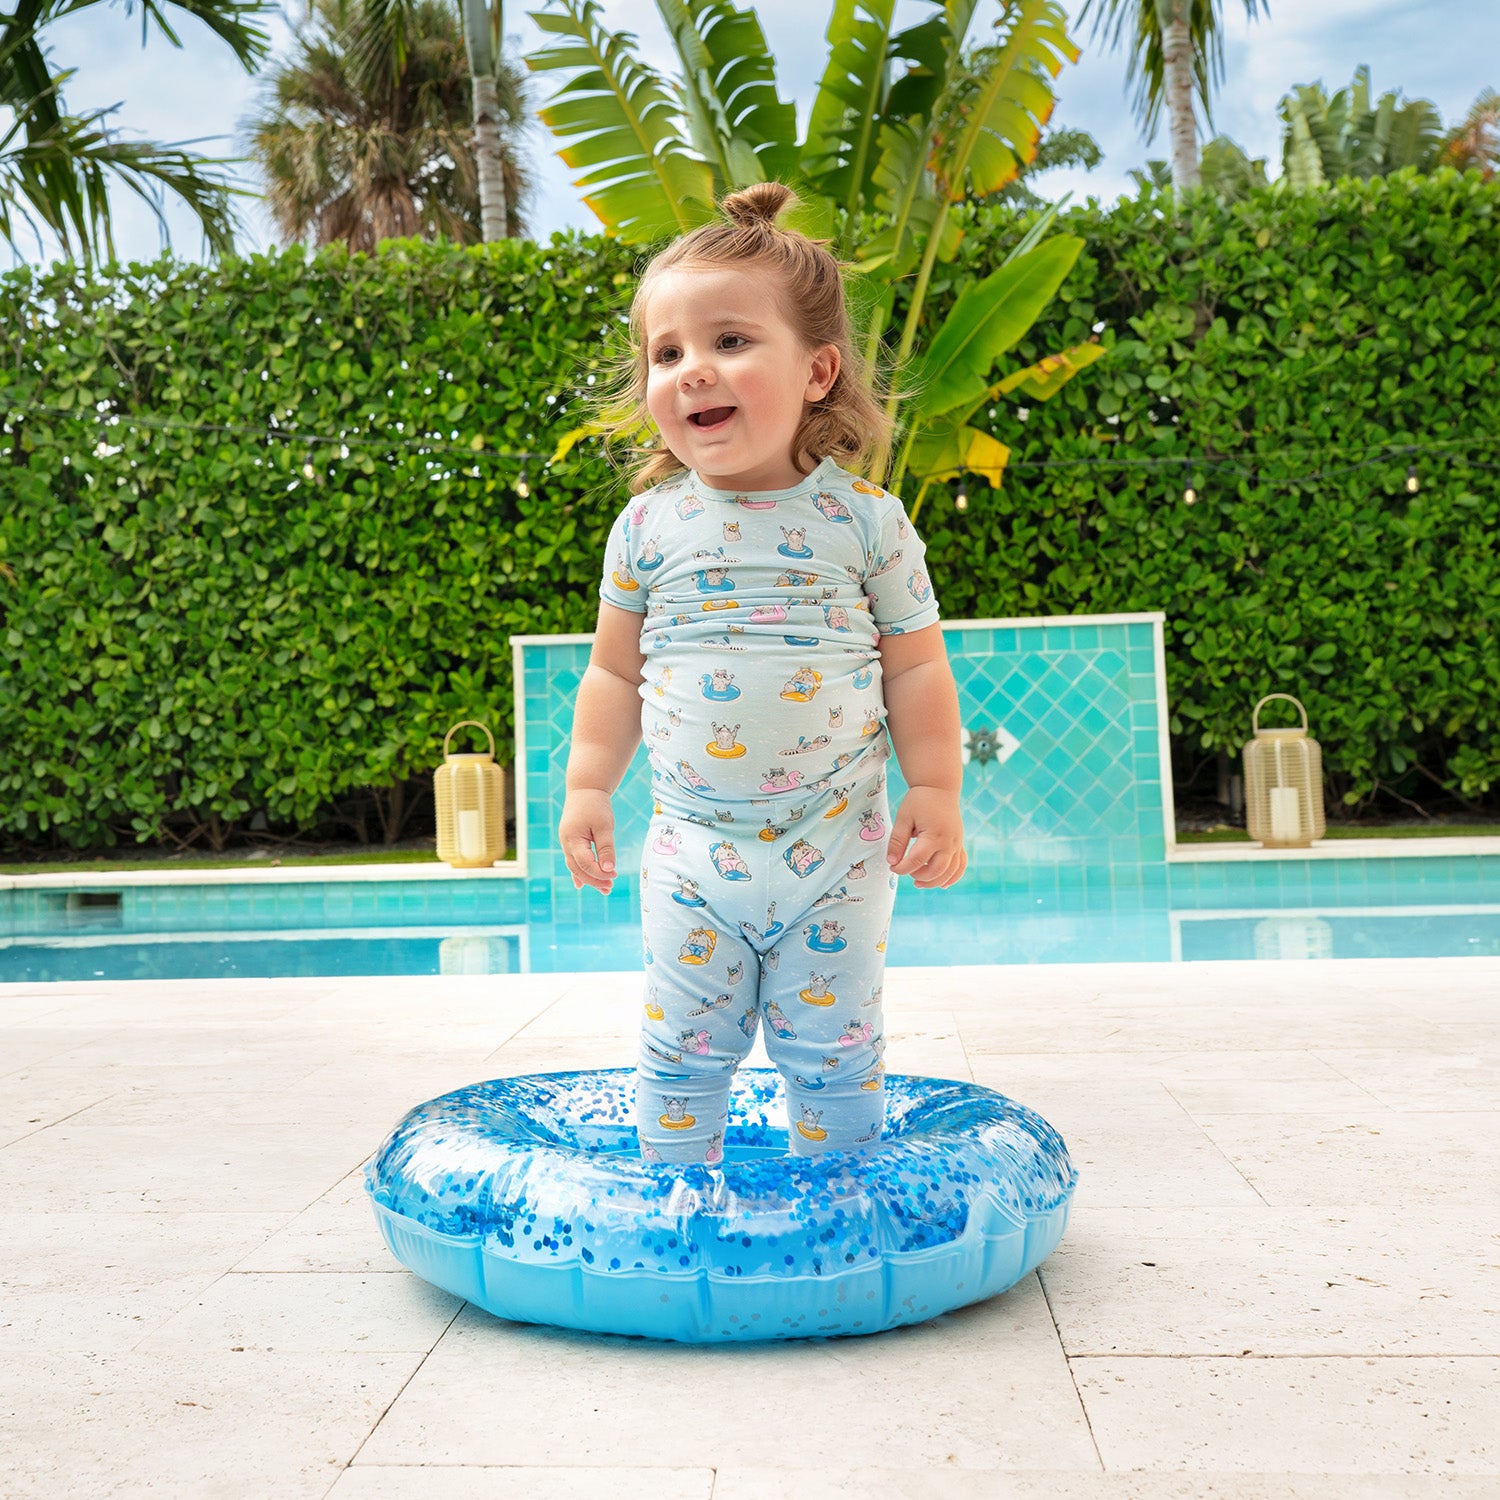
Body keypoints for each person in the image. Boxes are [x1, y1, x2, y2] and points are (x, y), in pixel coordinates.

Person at [559, 181, 966, 1164]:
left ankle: (841, 1201)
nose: (694, 370)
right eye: (668, 353)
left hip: (837, 845)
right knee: (680, 1051)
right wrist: (585, 785)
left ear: (819, 369)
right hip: (695, 848)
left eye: (730, 342)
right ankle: (673, 1205)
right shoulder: (647, 527)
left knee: (835, 1049)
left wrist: (939, 788)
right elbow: (614, 676)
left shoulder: (865, 521)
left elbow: (915, 667)